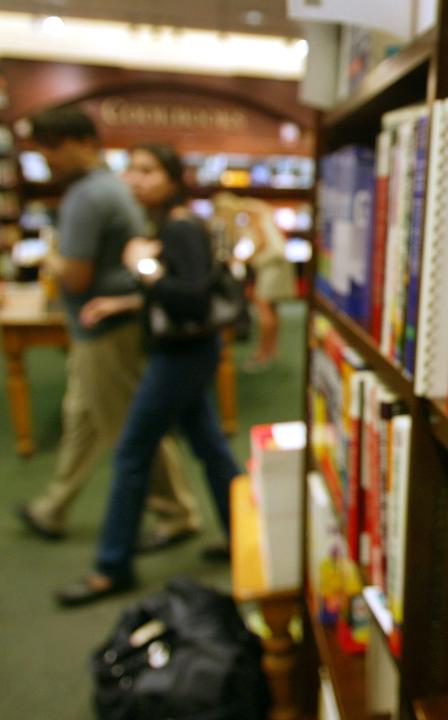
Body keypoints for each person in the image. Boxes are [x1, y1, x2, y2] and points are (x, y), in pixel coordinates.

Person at [55, 143, 242, 606]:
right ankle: (245, 534)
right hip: (180, 350)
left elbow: (192, 300)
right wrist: (124, 298)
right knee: (210, 448)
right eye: (130, 170)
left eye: (146, 170)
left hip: (182, 354)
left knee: (133, 451)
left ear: (173, 176)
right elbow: (173, 294)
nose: (134, 179)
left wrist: (141, 266)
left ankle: (110, 566)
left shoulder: (179, 228)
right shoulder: (165, 225)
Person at [17, 108, 201, 549]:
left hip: (107, 328)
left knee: (131, 430)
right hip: (101, 327)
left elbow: (78, 276)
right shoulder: (102, 190)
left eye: (53, 147)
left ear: (82, 142)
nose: (48, 159)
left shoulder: (88, 197)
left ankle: (177, 514)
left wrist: (47, 255)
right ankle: (54, 505)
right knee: (81, 419)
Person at [213, 191, 296, 371]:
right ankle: (271, 349)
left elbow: (261, 242)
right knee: (272, 309)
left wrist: (243, 259)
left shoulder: (251, 211)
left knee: (264, 307)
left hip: (270, 266)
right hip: (277, 265)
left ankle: (263, 352)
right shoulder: (256, 209)